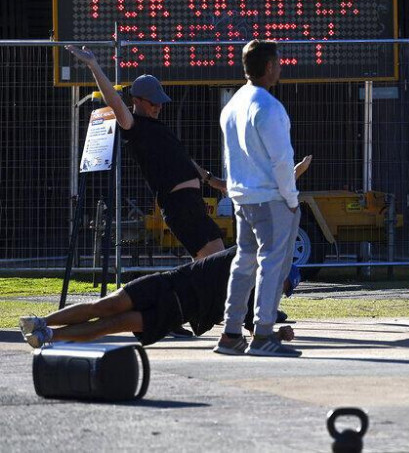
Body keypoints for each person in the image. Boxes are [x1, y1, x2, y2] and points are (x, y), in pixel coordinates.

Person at [64, 45, 227, 260]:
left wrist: (214, 181)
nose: (158, 106)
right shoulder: (134, 127)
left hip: (194, 202)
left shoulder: (159, 127)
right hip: (179, 204)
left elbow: (183, 159)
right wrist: (94, 65)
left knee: (217, 260)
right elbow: (114, 101)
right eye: (153, 102)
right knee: (215, 264)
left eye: (160, 102)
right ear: (136, 101)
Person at [18, 246, 298, 349]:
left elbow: (254, 332)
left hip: (174, 313)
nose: (278, 291)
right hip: (167, 283)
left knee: (111, 324)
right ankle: (40, 321)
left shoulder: (249, 301)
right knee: (106, 306)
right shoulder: (245, 256)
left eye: (283, 290)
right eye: (282, 283)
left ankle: (48, 337)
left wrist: (276, 334)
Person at [215, 40, 302, 357]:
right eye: (277, 62)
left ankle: (231, 333)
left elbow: (230, 157)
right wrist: (291, 199)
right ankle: (263, 334)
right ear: (268, 67)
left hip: (242, 197)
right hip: (271, 198)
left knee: (243, 263)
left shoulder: (233, 105)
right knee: (270, 263)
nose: (280, 67)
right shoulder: (268, 107)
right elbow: (282, 160)